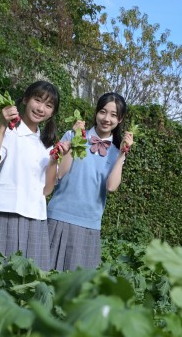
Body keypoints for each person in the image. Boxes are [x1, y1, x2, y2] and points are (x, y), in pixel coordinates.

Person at [0, 80, 69, 271]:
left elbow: (46, 190)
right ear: (26, 99)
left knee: (31, 281)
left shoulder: (46, 144)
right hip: (8, 213)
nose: (41, 108)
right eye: (38, 100)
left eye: (48, 105)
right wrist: (2, 125)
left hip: (36, 218)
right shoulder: (10, 132)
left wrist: (53, 161)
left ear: (52, 112)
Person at [47, 92, 133, 271]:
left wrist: (122, 154)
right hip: (58, 216)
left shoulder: (116, 151)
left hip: (89, 224)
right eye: (103, 112)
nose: (106, 118)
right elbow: (59, 174)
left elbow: (111, 187)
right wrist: (77, 140)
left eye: (113, 115)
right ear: (96, 112)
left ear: (120, 119)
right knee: (45, 277)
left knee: (77, 284)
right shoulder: (73, 135)